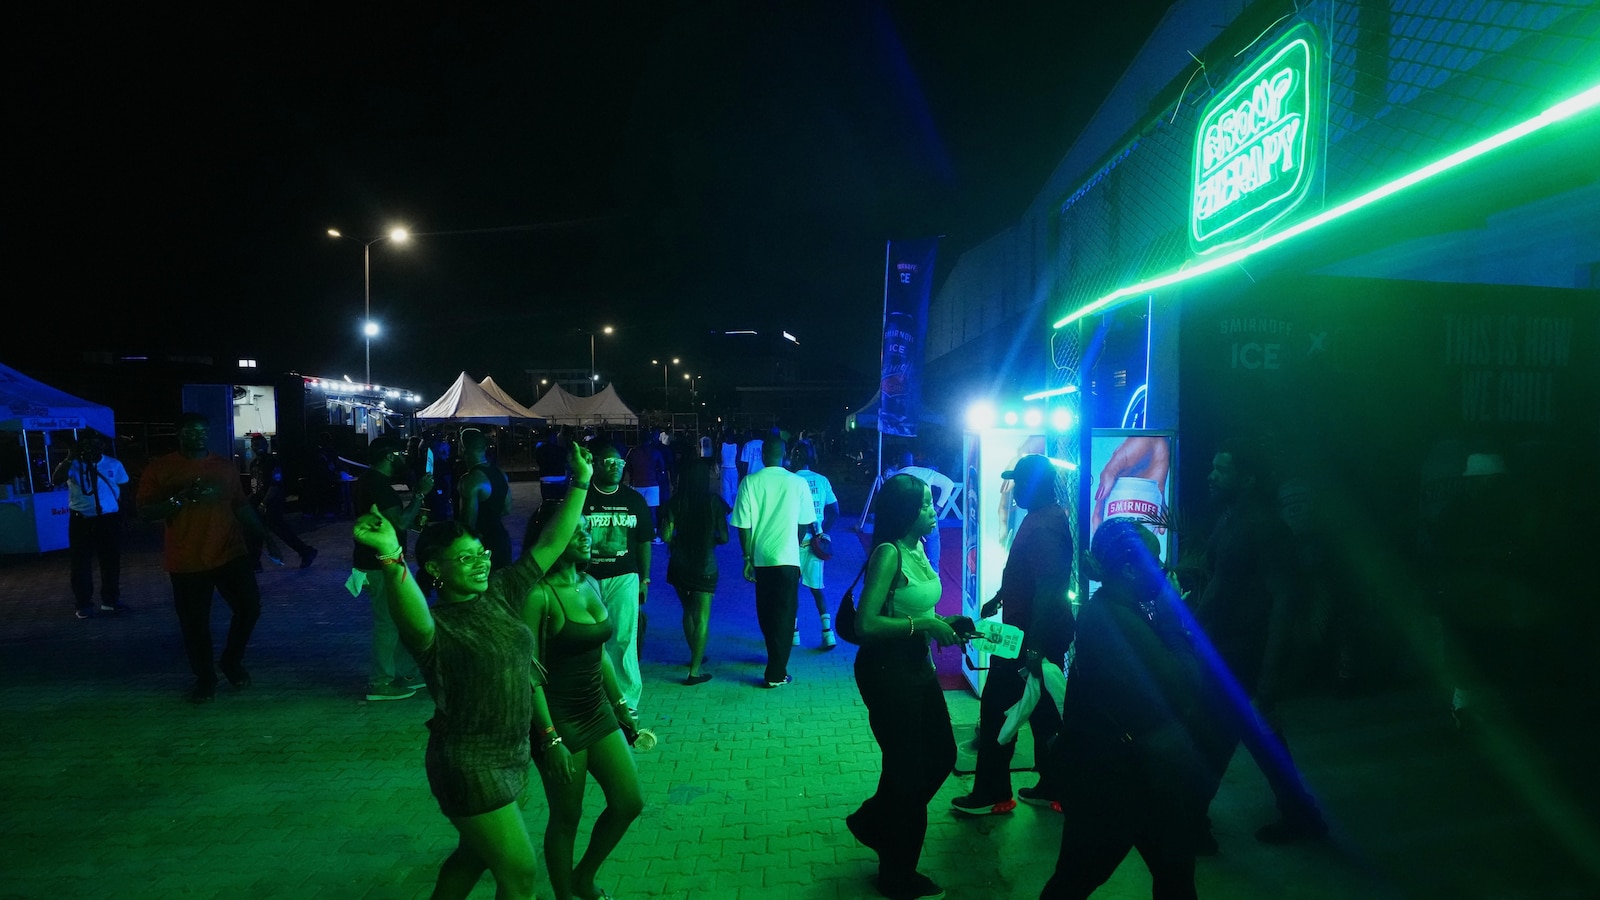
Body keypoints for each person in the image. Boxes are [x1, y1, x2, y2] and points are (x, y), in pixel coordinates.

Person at [351, 441, 593, 900]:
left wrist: (580, 482)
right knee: (520, 875)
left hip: (512, 751)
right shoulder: (437, 627)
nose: (481, 563)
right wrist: (390, 555)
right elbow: (411, 615)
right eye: (465, 558)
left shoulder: (500, 591)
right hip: (468, 763)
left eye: (481, 553)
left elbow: (550, 543)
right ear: (435, 570)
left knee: (475, 854)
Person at [1039, 519, 1207, 899]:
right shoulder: (1112, 620)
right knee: (1075, 879)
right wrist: (1173, 620)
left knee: (1176, 873)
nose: (1164, 571)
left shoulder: (1118, 608)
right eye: (1156, 563)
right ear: (1130, 571)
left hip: (1142, 774)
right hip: (1113, 784)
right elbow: (1183, 689)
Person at [1191, 440, 1326, 848]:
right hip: (1229, 651)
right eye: (1213, 467)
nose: (1212, 476)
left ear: (1247, 478)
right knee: (1248, 736)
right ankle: (1300, 814)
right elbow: (1221, 578)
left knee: (1219, 737)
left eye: (1223, 470)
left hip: (1245, 653)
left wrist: (1269, 674)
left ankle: (1193, 823)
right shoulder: (1231, 518)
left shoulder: (1265, 526)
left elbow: (1284, 599)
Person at [845, 473, 965, 900]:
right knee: (908, 771)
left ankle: (875, 820)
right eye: (927, 505)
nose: (935, 511)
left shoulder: (920, 547)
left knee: (942, 755)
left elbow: (917, 608)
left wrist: (943, 624)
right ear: (906, 512)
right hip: (887, 673)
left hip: (918, 668)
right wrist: (923, 626)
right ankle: (897, 874)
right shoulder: (888, 553)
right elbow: (865, 623)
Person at [523, 502, 646, 900]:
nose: (586, 537)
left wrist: (622, 706)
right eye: (575, 531)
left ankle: (583, 877)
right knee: (567, 817)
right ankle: (565, 895)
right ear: (551, 537)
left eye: (586, 529)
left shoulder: (589, 581)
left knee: (628, 802)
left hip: (597, 710)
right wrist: (549, 738)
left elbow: (602, 654)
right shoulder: (538, 596)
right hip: (558, 718)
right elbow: (529, 674)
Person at [953, 453, 1074, 815]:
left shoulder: (1044, 526)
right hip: (1032, 635)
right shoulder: (1043, 517)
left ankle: (993, 793)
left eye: (1019, 482)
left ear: (1034, 485)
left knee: (995, 709)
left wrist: (1034, 647)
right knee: (1043, 712)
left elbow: (1049, 589)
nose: (1014, 489)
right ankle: (1056, 787)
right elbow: (1029, 576)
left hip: (1026, 639)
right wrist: (1000, 596)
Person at [137, 413, 282, 703]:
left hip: (230, 553)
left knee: (249, 608)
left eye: (203, 430)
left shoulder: (224, 467)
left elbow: (240, 506)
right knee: (195, 625)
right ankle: (205, 678)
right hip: (187, 559)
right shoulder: (161, 469)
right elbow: (145, 511)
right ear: (179, 434)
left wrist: (265, 536)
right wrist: (179, 498)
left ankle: (230, 661)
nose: (199, 435)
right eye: (192, 430)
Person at [352, 436, 434, 701]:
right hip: (379, 563)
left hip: (382, 561)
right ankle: (380, 682)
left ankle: (405, 672)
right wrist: (419, 494)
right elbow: (400, 522)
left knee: (399, 619)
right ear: (389, 456)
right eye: (401, 453)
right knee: (388, 622)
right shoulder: (377, 484)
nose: (404, 457)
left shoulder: (371, 480)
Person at [732, 433, 816, 687]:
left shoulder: (749, 482)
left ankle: (774, 659)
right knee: (786, 613)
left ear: (762, 455)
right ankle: (776, 672)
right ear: (785, 455)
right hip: (788, 557)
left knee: (766, 611)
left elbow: (743, 525)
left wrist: (747, 557)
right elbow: (804, 523)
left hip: (761, 558)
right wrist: (792, 541)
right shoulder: (798, 483)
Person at [581, 441, 653, 714]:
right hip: (587, 577)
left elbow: (644, 542)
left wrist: (644, 580)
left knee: (623, 638)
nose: (616, 467)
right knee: (589, 639)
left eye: (620, 463)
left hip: (624, 577)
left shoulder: (634, 500)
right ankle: (592, 696)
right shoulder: (583, 497)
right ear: (596, 464)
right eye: (609, 462)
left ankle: (626, 701)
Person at [661, 456, 729, 684]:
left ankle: (695, 655)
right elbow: (725, 537)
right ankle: (695, 671)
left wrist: (679, 537)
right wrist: (710, 540)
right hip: (704, 565)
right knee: (702, 618)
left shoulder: (676, 501)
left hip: (679, 565)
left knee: (688, 612)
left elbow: (665, 535)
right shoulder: (714, 502)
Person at [53, 432, 130, 618]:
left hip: (108, 518)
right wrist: (70, 456)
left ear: (103, 445)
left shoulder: (113, 464)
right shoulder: (72, 464)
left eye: (97, 444)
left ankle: (110, 600)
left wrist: (122, 515)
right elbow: (56, 480)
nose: (92, 448)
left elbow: (123, 486)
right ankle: (83, 604)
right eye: (87, 444)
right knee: (80, 564)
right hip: (82, 519)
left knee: (111, 561)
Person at [791, 443, 840, 649]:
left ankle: (794, 633)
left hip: (794, 541)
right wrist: (822, 531)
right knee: (817, 589)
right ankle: (828, 634)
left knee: (792, 589)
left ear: (794, 457)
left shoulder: (790, 480)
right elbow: (835, 511)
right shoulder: (822, 480)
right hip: (815, 542)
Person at [246, 435, 318, 571]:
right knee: (259, 531)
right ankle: (255, 562)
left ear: (266, 445)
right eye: (255, 444)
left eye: (260, 444)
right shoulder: (254, 464)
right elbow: (255, 486)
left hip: (272, 502)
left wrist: (263, 502)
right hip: (261, 502)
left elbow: (275, 484)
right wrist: (252, 500)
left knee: (278, 530)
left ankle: (305, 551)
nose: (258, 447)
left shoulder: (272, 462)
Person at [885, 452, 956, 568]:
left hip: (905, 515)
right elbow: (949, 484)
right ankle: (934, 569)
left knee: (904, 542)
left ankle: (905, 569)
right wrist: (938, 506)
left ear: (898, 463)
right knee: (932, 539)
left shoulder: (895, 477)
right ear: (912, 461)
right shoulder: (926, 472)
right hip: (926, 512)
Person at [458, 429, 513, 572]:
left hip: (481, 544)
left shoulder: (471, 480)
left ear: (463, 449)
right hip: (501, 538)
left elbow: (468, 523)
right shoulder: (500, 473)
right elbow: (507, 509)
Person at [624, 433, 668, 543]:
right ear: (650, 441)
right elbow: (662, 468)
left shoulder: (633, 452)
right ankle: (653, 535)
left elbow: (628, 468)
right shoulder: (655, 452)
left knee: (636, 510)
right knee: (652, 511)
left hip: (637, 484)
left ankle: (636, 533)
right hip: (652, 484)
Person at [717, 430, 740, 508]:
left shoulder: (722, 445)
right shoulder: (736, 446)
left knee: (725, 491)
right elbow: (738, 460)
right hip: (734, 469)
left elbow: (718, 458)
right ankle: (734, 508)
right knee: (734, 490)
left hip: (724, 469)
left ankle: (726, 509)